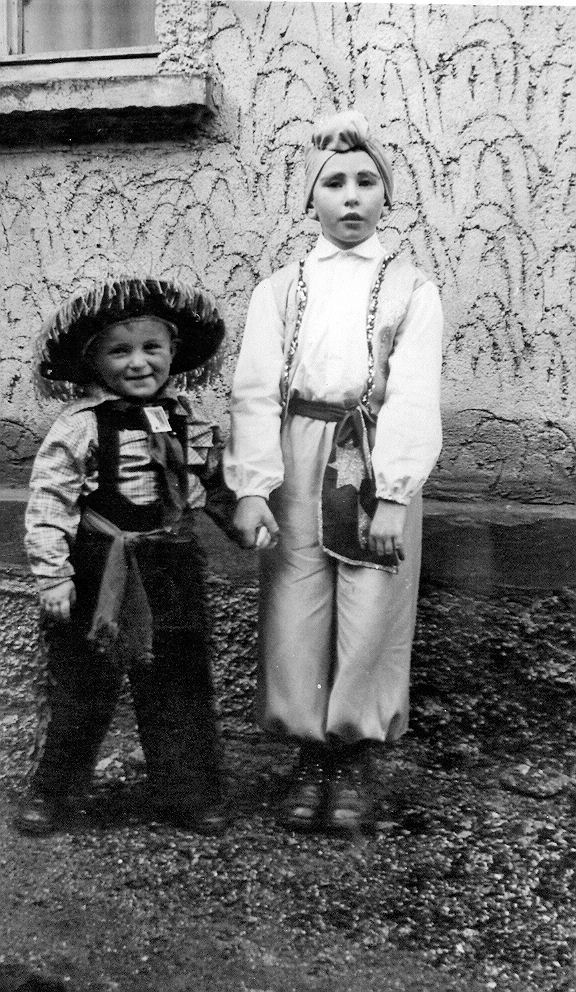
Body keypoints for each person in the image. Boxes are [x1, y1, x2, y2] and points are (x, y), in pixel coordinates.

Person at [224, 109, 443, 834]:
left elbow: (413, 393)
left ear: (387, 196)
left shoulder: (411, 287)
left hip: (374, 459)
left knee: (372, 599)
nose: (352, 197)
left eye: (367, 182)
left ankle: (352, 756)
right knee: (296, 599)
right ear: (309, 199)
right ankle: (307, 755)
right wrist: (253, 487)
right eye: (335, 183)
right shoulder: (280, 290)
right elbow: (255, 390)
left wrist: (394, 493)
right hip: (298, 452)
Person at [15, 277, 228, 836]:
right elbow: (50, 502)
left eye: (151, 348)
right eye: (120, 350)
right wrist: (54, 575)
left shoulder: (189, 420)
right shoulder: (81, 425)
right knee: (82, 687)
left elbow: (216, 482)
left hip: (171, 565)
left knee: (179, 683)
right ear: (94, 361)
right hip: (96, 567)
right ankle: (54, 793)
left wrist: (246, 520)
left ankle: (187, 793)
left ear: (174, 353)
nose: (138, 363)